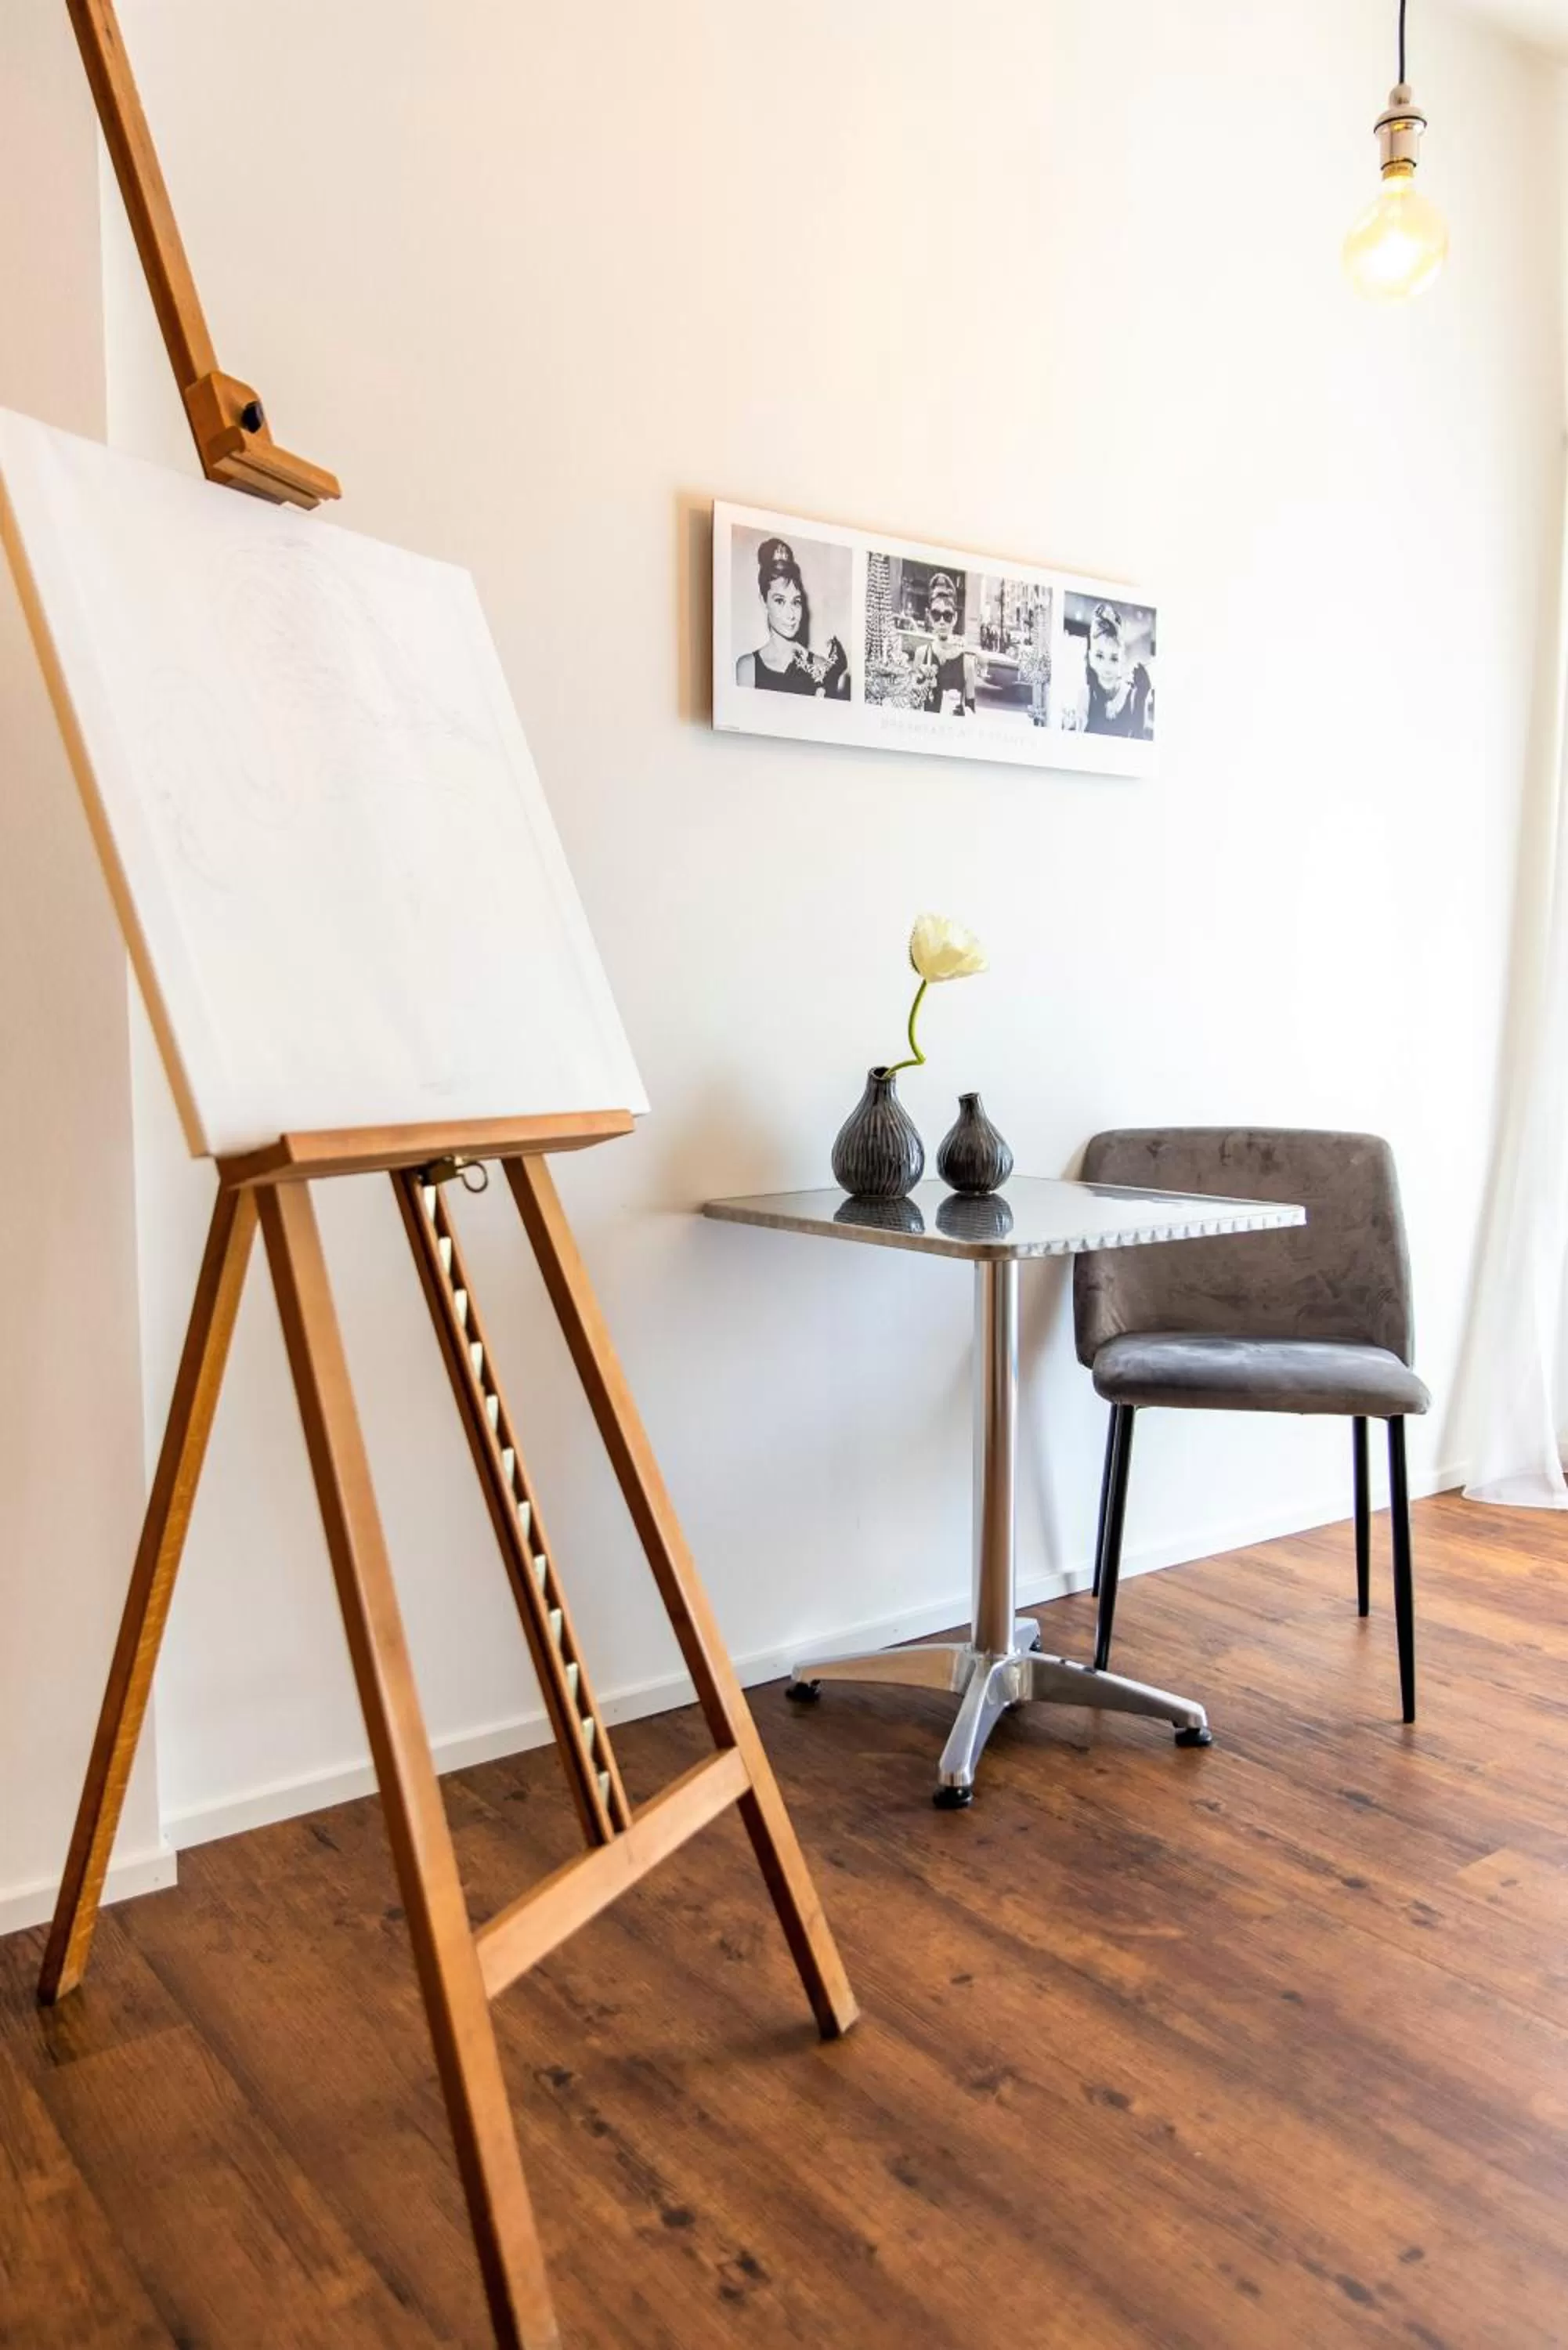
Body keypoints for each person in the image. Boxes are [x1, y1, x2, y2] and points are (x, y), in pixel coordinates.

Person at [735, 536, 850, 697]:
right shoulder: (747, 668)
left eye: (796, 602)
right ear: (764, 602)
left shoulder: (823, 667)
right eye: (780, 601)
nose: (791, 615)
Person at [1082, 601, 1154, 738]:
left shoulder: (1134, 696)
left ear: (1122, 660)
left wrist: (1141, 698)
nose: (1106, 668)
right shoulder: (1085, 696)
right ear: (1090, 658)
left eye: (1114, 659)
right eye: (1099, 656)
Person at [911, 572, 975, 717]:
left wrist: (962, 711)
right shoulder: (921, 654)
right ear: (929, 617)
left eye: (947, 616)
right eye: (936, 614)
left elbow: (972, 709)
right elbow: (913, 704)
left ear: (955, 618)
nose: (942, 622)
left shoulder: (966, 663)